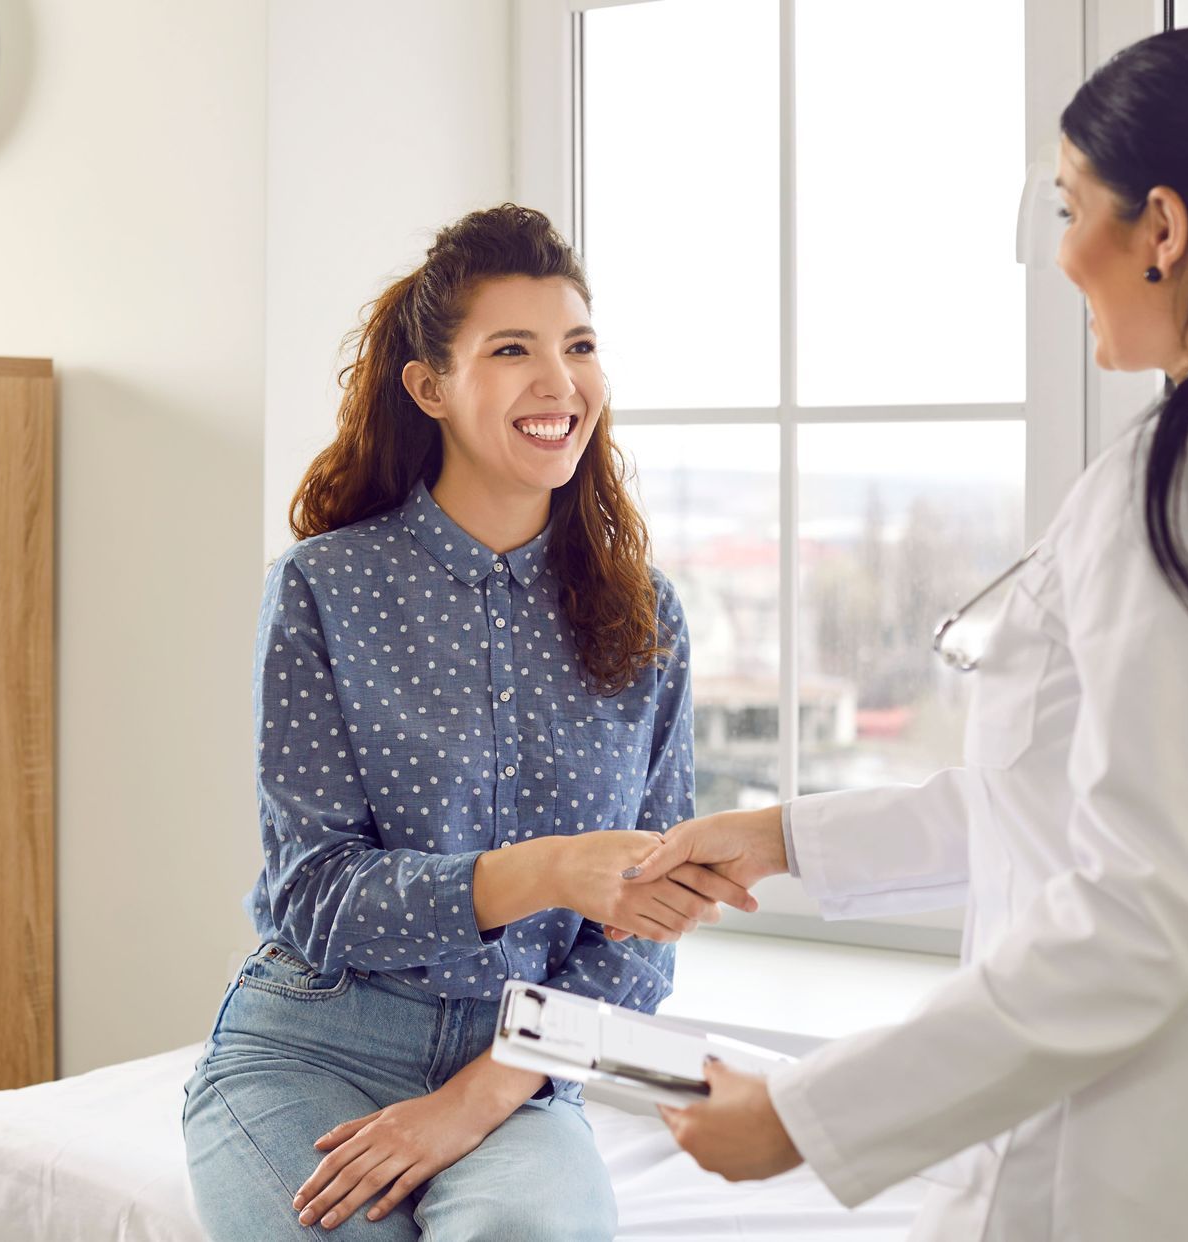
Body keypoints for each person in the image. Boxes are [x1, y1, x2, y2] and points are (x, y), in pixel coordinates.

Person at [624, 26, 1188, 1240]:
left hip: (1145, 1168)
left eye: (1068, 207)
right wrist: (784, 837)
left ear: (1163, 229)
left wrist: (806, 1115)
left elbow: (1141, 911)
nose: (1059, 254)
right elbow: (1057, 802)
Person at [181, 203, 754, 1239]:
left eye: (578, 347)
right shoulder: (326, 587)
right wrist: (549, 870)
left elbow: (639, 947)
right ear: (430, 386)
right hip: (315, 1041)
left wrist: (474, 1101)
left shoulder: (646, 613)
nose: (560, 382)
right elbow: (312, 892)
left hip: (525, 1069)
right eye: (513, 350)